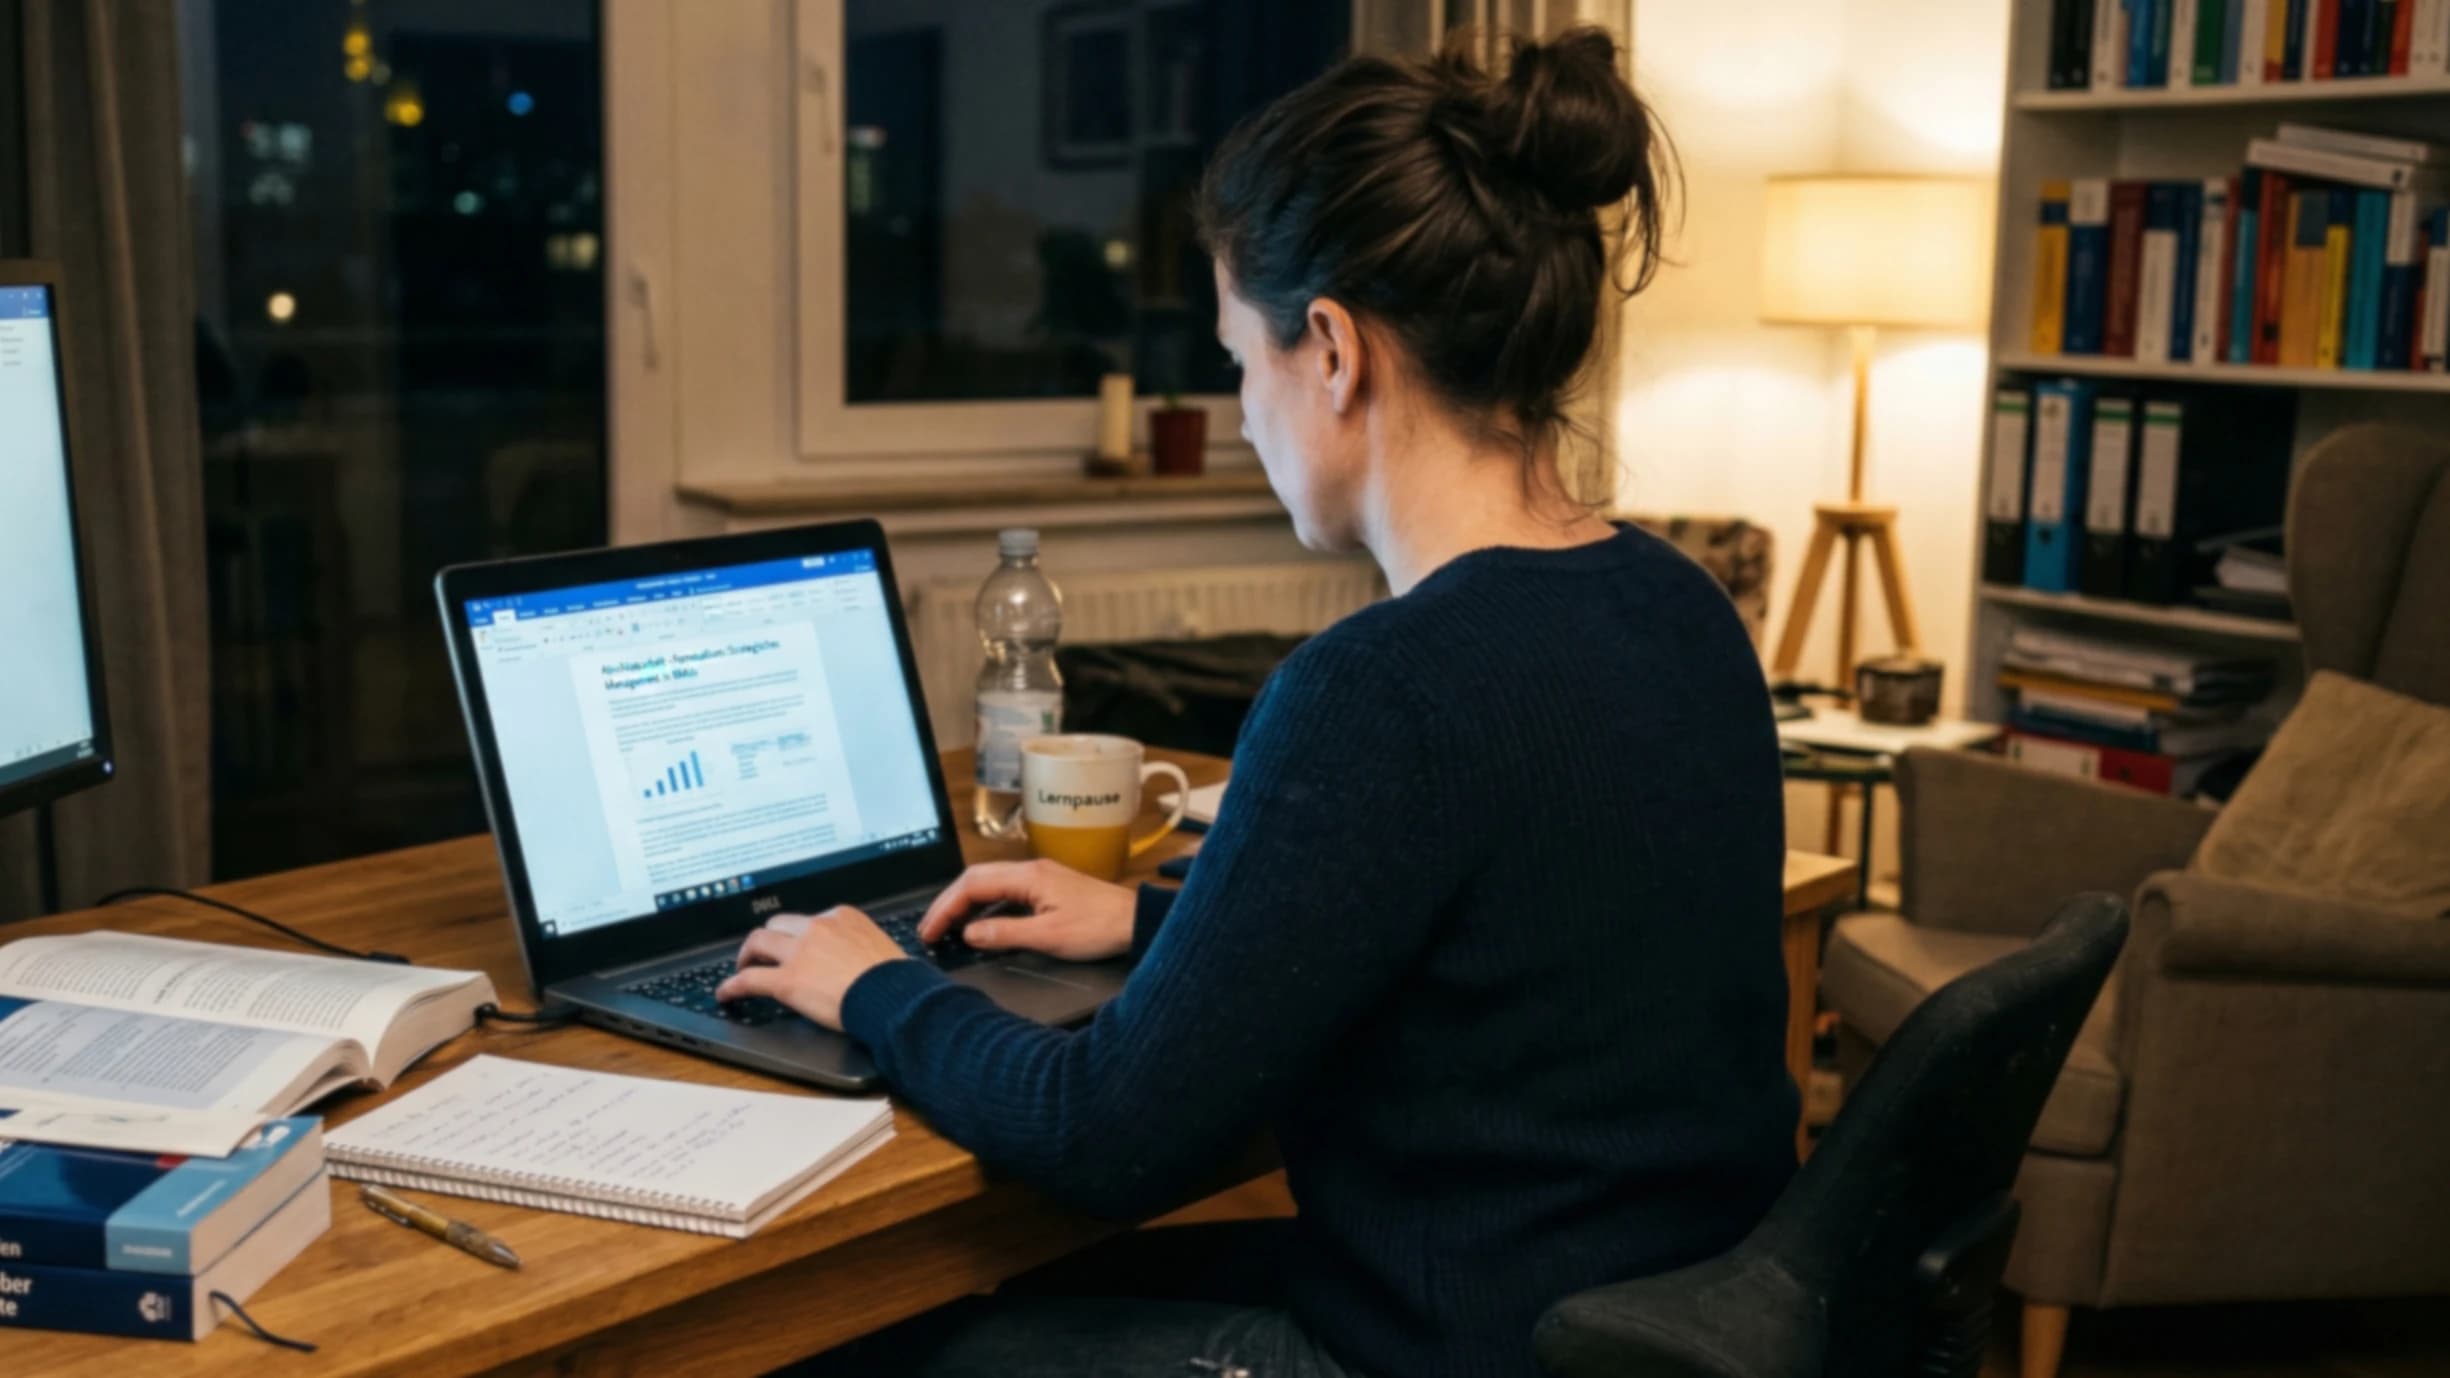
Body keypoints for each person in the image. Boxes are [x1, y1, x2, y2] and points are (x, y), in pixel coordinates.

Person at [719, 27, 1796, 1378]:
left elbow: (1104, 1133)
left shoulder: (1379, 688)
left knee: (861, 1342)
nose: (1239, 412)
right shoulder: (1675, 603)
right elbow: (1510, 954)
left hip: (1435, 1343)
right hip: (1621, 1316)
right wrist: (1169, 915)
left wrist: (873, 986)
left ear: (1332, 351)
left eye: (1239, 358)